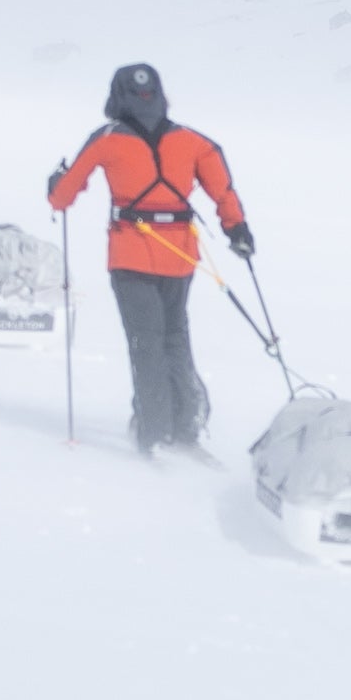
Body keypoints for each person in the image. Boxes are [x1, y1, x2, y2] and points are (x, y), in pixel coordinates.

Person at [46, 63, 251, 457]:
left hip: (131, 257)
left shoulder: (106, 139)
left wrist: (55, 181)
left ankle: (152, 429)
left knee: (146, 342)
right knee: (175, 337)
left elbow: (63, 197)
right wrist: (237, 231)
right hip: (180, 258)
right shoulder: (194, 142)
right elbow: (224, 193)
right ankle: (185, 424)